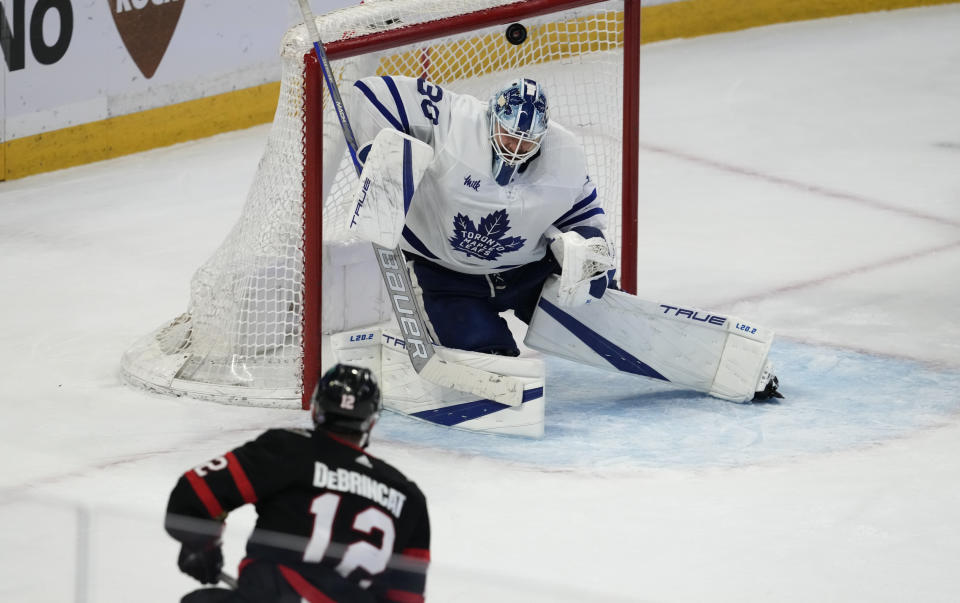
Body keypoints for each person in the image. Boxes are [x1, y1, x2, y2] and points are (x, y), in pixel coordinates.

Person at [347, 75, 616, 357]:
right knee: (487, 360)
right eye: (510, 134)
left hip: (527, 273)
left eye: (527, 142)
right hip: (447, 279)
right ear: (492, 117)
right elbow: (370, 93)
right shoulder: (454, 120)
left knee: (593, 300)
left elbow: (583, 218)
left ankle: (607, 320)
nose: (515, 147)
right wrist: (378, 156)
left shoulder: (564, 154)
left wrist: (590, 257)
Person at [165, 364, 431, 602]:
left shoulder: (287, 449)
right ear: (370, 424)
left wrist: (202, 547)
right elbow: (407, 597)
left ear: (315, 410)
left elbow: (191, 496)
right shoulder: (408, 496)